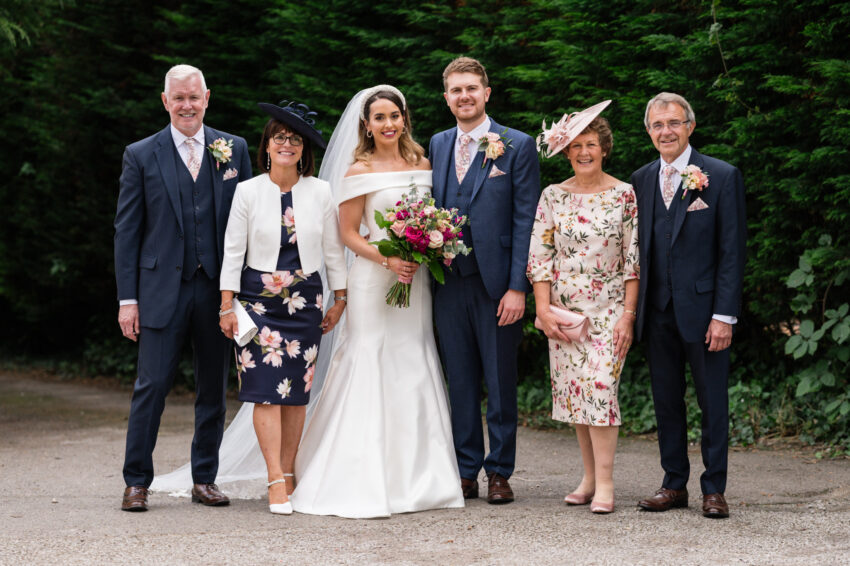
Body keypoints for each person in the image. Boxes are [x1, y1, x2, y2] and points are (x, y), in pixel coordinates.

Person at [289, 85, 465, 518]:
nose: (388, 124)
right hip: (373, 277)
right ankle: (358, 476)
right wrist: (386, 259)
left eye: (395, 115)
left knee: (413, 360)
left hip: (415, 279)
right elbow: (348, 232)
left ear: (405, 118)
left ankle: (421, 478)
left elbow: (431, 219)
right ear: (366, 125)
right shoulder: (357, 169)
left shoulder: (422, 162)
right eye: (380, 117)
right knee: (369, 359)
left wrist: (424, 249)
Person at [114, 64, 252, 512]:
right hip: (159, 291)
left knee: (212, 388)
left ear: (207, 97)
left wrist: (243, 292)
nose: (187, 105)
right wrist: (127, 299)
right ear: (165, 101)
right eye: (179, 98)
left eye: (194, 97)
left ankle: (205, 479)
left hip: (217, 292)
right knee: (150, 387)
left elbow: (247, 223)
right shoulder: (140, 153)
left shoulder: (234, 148)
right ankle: (136, 482)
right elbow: (127, 232)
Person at [217, 101, 348, 515]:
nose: (287, 145)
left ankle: (289, 472)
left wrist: (339, 297)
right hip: (256, 304)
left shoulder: (320, 191)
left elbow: (332, 250)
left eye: (295, 140)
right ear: (267, 146)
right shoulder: (247, 191)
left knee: (295, 397)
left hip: (305, 303)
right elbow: (232, 251)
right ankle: (274, 477)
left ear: (304, 150)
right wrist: (226, 305)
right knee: (264, 394)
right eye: (279, 138)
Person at [429, 57, 540, 504]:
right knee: (460, 380)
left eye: (472, 88)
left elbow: (526, 220)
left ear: (487, 93)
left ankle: (500, 471)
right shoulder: (436, 144)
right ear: (446, 98)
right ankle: (465, 469)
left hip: (497, 285)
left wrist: (518, 287)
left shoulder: (516, 145)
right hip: (447, 283)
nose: (465, 96)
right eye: (456, 90)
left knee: (500, 379)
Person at [632, 92, 746, 519]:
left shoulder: (720, 175)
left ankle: (714, 488)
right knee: (666, 400)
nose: (666, 131)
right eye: (658, 125)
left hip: (704, 313)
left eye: (674, 123)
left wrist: (724, 315)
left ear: (690, 127)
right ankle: (673, 483)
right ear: (649, 131)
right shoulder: (640, 179)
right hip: (656, 309)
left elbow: (732, 252)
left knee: (712, 401)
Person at [527, 101, 639, 514]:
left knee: (601, 391)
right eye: (575, 146)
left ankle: (606, 483)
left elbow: (634, 259)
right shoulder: (553, 195)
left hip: (609, 310)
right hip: (564, 312)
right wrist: (543, 311)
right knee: (577, 396)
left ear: (604, 148)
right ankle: (589, 478)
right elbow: (540, 256)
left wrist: (628, 314)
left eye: (590, 144)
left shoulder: (625, 194)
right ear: (566, 151)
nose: (583, 152)